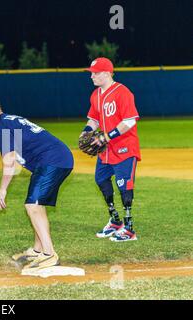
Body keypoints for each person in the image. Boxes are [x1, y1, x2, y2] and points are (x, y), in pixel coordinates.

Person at [0, 95, 73, 270]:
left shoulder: (2, 125)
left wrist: (2, 190)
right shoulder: (6, 122)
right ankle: (38, 250)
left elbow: (10, 160)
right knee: (36, 204)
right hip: (54, 159)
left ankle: (49, 255)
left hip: (53, 160)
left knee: (33, 206)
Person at [80, 57, 141, 242]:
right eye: (91, 73)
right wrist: (86, 132)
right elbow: (94, 119)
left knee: (124, 186)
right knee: (101, 179)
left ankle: (129, 229)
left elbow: (129, 121)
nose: (92, 76)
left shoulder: (123, 92)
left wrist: (106, 136)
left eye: (95, 73)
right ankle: (115, 221)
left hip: (124, 148)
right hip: (105, 150)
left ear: (107, 73)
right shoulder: (95, 95)